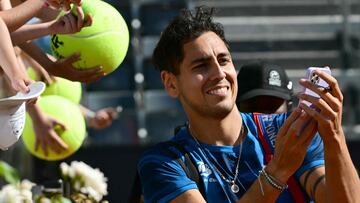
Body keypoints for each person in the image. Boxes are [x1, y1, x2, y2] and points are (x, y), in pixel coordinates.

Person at [137, 6, 359, 202]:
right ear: (171, 83)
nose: (218, 73)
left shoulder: (286, 130)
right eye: (201, 66)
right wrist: (277, 172)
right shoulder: (163, 163)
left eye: (224, 60)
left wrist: (334, 135)